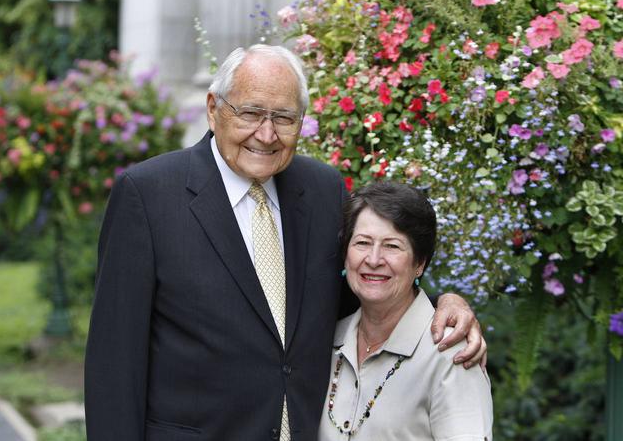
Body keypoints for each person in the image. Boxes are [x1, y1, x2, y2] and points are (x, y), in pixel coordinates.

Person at [84, 44, 486, 441]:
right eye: (251, 113)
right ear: (213, 108)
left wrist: (444, 306)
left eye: (284, 118)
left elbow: (366, 284)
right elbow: (114, 362)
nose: (267, 134)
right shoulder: (148, 194)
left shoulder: (323, 189)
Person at [318, 182, 493, 440]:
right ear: (346, 255)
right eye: (363, 242)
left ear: (420, 263)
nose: (374, 259)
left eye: (392, 246)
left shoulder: (450, 353)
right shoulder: (327, 342)